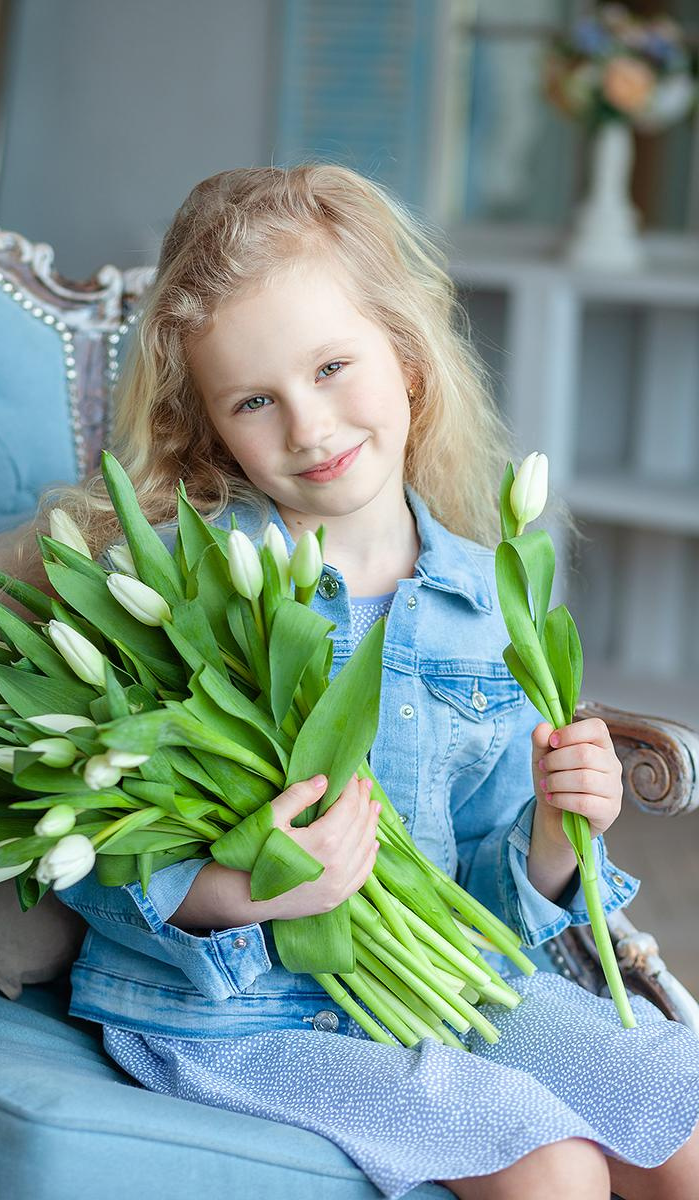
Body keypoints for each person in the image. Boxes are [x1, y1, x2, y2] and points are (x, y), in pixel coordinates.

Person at [51, 163, 699, 1200]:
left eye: (331, 367)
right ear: (211, 424)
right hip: (241, 1014)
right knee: (549, 1165)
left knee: (681, 1111)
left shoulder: (485, 600)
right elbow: (96, 857)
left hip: (447, 980)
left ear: (405, 355)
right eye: (254, 400)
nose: (306, 428)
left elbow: (489, 900)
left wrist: (549, 835)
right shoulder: (180, 590)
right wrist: (258, 888)